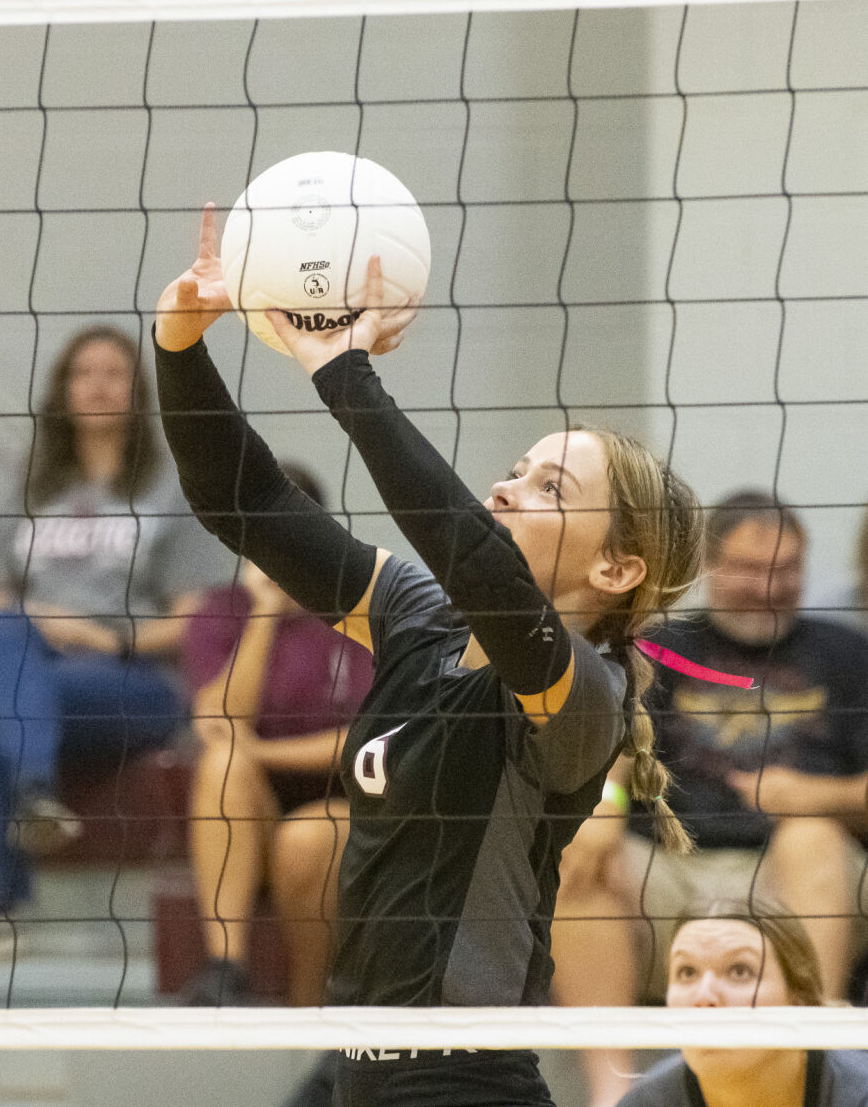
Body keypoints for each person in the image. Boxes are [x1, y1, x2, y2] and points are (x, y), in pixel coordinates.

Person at [154, 209, 702, 1107]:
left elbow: (472, 557)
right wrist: (179, 346)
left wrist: (343, 371)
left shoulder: (580, 694)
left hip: (466, 1080)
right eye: (518, 467)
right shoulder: (418, 621)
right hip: (358, 1070)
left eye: (547, 487)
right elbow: (241, 500)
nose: (504, 486)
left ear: (615, 566)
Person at [0, 324, 221, 961]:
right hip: (37, 674)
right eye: (83, 372)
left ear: (137, 391)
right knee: (0, 647)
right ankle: (33, 794)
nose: (98, 385)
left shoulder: (171, 487)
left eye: (113, 372)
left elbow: (195, 619)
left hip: (131, 684)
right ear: (62, 390)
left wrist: (101, 635)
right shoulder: (34, 487)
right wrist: (46, 623)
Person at [554, 490, 868, 1105]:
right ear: (711, 565)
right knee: (578, 853)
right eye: (752, 569)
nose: (769, 587)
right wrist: (605, 805)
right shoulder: (658, 645)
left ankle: (818, 1061)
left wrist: (816, 796)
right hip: (671, 865)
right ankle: (610, 1091)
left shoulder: (847, 651)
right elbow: (611, 751)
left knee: (811, 836)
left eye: (786, 570)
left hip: (795, 874)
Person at [180, 464, 374, 1006]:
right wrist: (265, 611)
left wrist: (261, 750)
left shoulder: (357, 612)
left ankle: (313, 1006)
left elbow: (368, 736)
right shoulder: (220, 611)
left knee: (305, 840)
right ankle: (225, 969)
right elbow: (219, 718)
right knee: (221, 766)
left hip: (345, 797)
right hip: (255, 803)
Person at [615, 898, 868, 1107]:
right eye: (687, 972)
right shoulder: (645, 1103)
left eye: (739, 971)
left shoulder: (858, 1094)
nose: (704, 996)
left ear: (799, 1002)